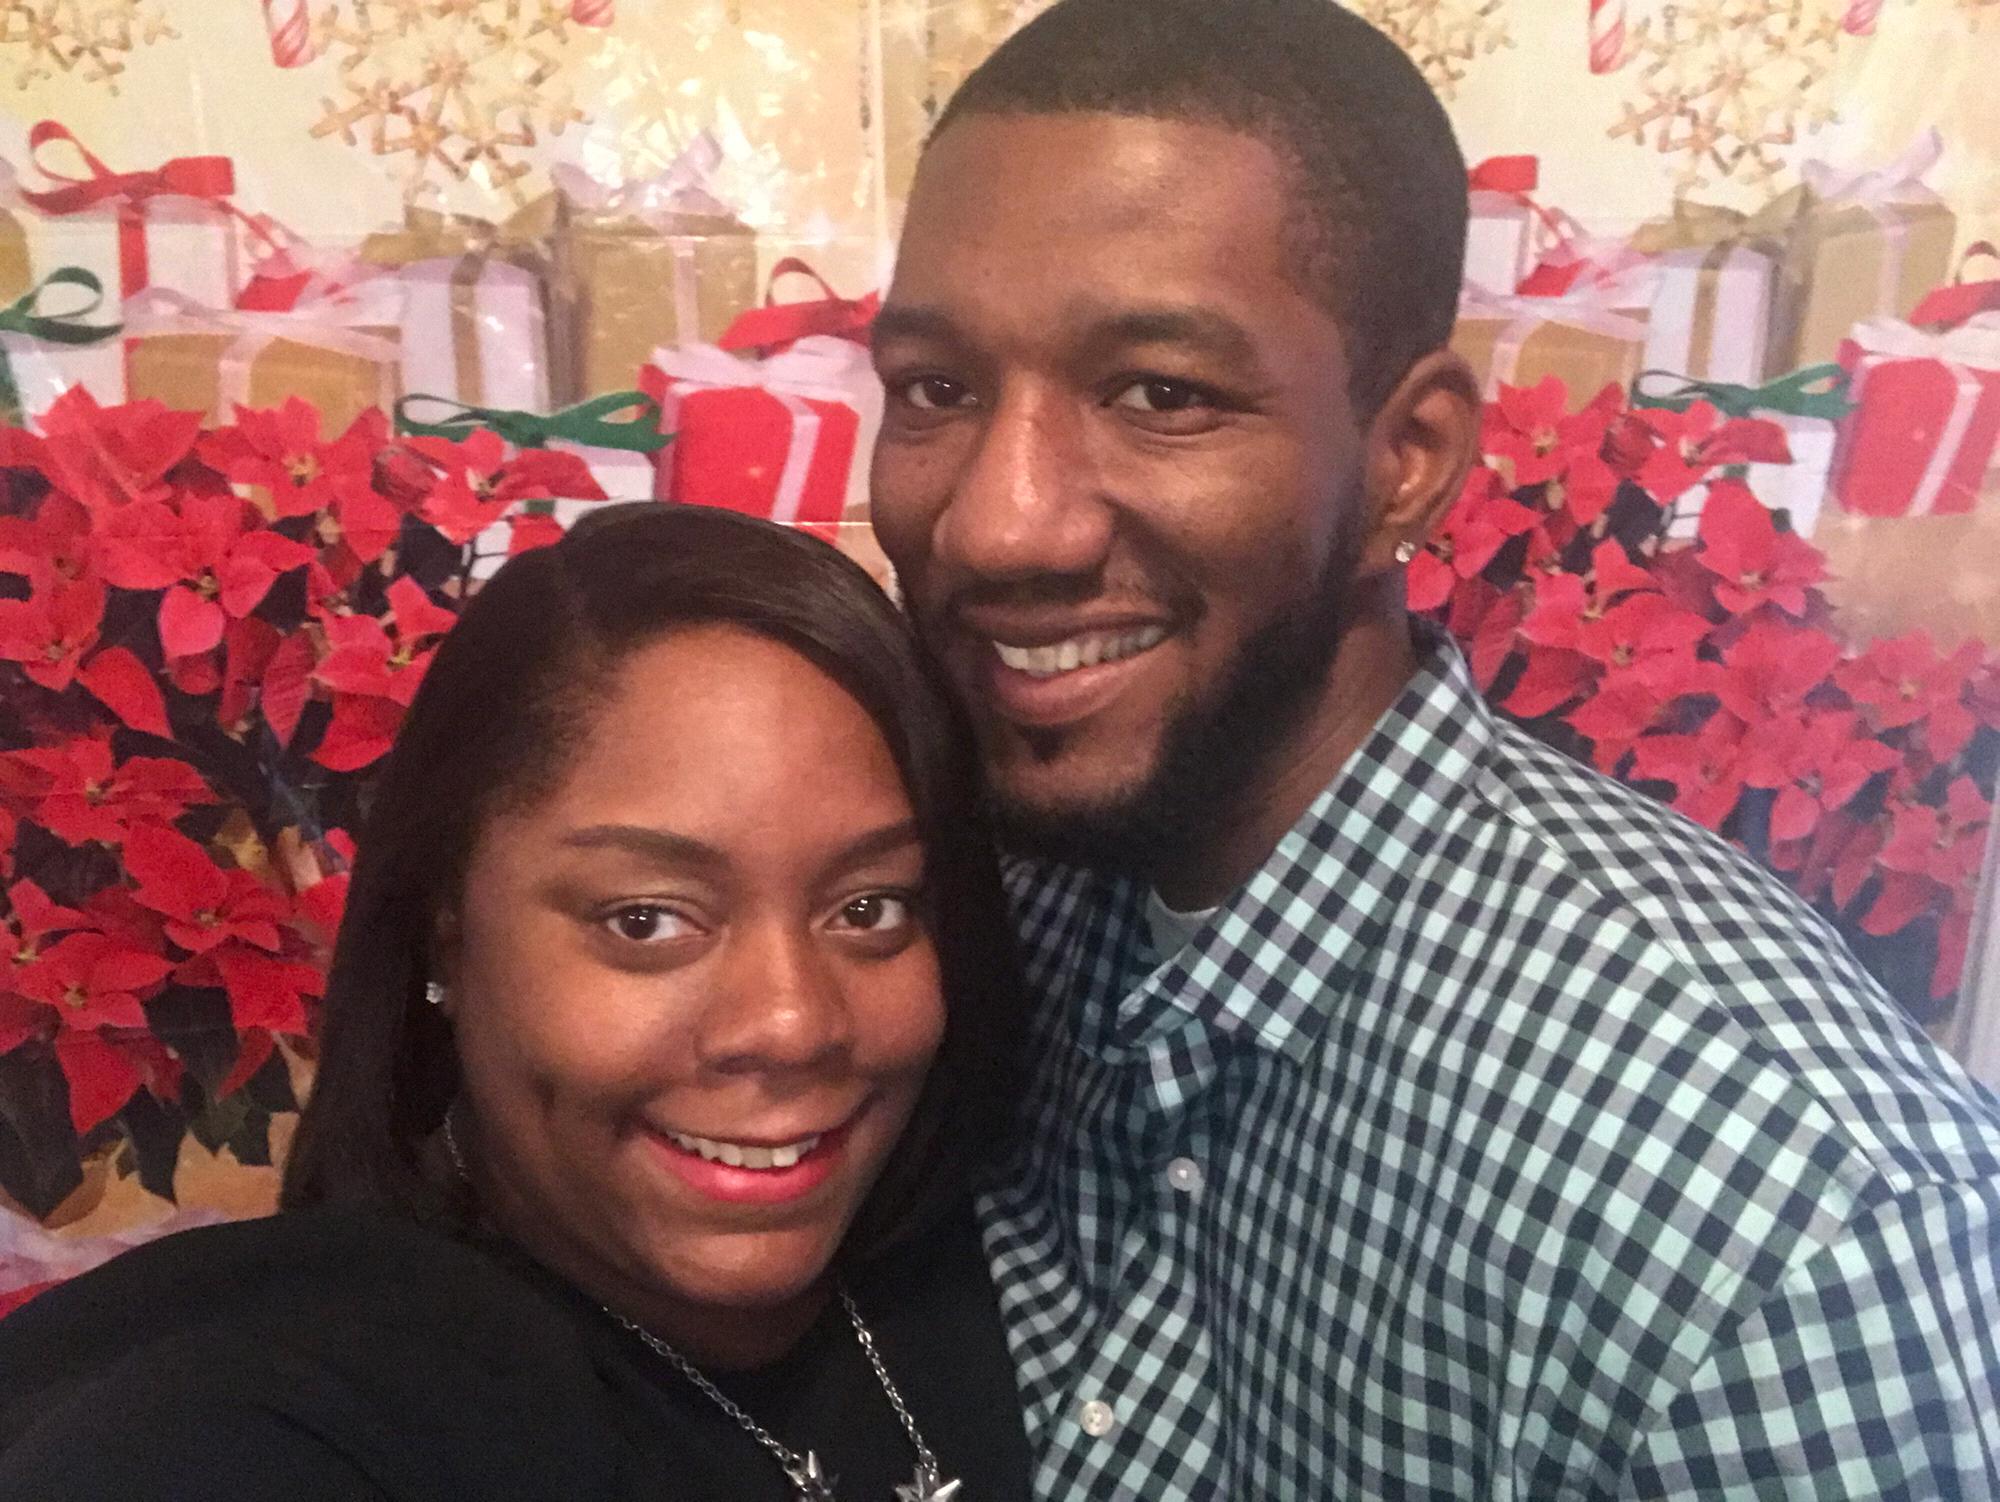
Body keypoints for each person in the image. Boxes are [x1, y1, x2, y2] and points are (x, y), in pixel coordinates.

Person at [868, 0, 2000, 1497]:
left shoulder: (1768, 1208)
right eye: (936, 390)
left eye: (1161, 394)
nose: (998, 523)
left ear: (1405, 463)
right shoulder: (1000, 891)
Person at [0, 505, 1031, 1502]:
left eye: (868, 907)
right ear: (445, 926)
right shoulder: (287, 1398)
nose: (792, 1023)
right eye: (645, 920)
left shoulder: (1001, 1260)